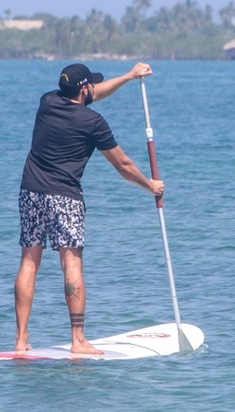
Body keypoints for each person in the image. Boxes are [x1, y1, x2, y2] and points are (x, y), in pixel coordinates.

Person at [14, 61, 164, 355]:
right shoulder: (93, 123)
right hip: (65, 198)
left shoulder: (48, 101)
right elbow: (123, 165)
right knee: (71, 264)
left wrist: (129, 77)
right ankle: (78, 340)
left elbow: (93, 94)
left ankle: (20, 340)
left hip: (30, 191)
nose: (94, 88)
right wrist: (150, 185)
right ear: (84, 88)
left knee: (29, 262)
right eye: (91, 85)